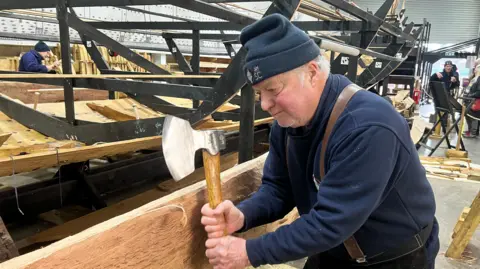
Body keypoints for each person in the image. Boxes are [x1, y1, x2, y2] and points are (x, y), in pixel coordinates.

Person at [201, 14, 439, 269]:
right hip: (334, 247)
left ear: (312, 73)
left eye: (273, 90)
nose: (266, 105)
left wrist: (250, 251)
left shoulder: (368, 126)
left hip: (393, 257)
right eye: (260, 93)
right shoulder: (289, 122)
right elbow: (279, 189)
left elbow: (332, 220)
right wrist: (244, 215)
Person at [463, 64, 480, 138]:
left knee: (473, 115)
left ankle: (473, 132)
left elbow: (479, 92)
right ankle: (470, 130)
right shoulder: (475, 78)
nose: (475, 69)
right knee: (467, 113)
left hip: (476, 101)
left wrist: (470, 95)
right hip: (471, 100)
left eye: (476, 68)